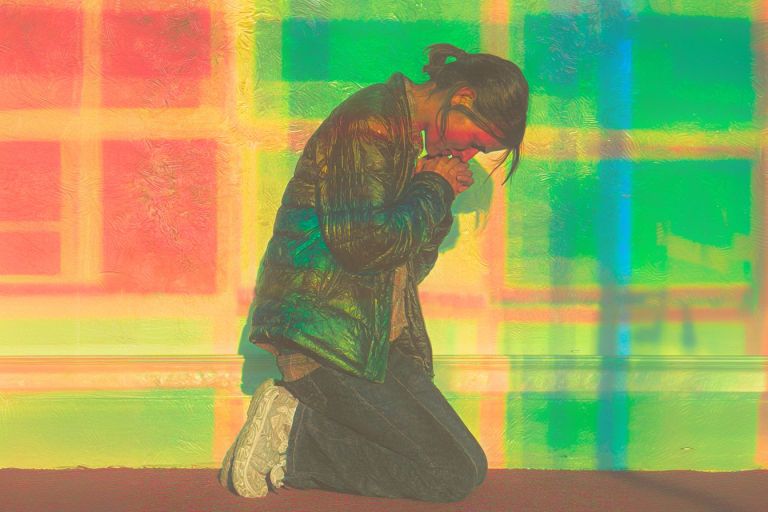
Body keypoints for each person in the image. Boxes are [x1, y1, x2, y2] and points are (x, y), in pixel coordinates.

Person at [218, 42, 529, 502]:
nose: (466, 156)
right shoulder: (370, 123)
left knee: (469, 466)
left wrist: (436, 195)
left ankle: (297, 429)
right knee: (448, 475)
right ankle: (293, 436)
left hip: (367, 340)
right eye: (475, 142)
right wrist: (432, 186)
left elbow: (406, 264)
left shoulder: (403, 137)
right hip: (324, 341)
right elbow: (366, 246)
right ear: (462, 97)